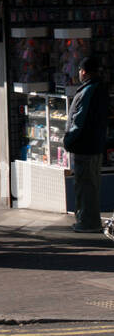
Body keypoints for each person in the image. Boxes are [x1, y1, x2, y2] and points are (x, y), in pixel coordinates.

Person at [64, 56, 109, 233]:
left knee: (85, 185)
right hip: (94, 145)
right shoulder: (99, 88)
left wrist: (68, 140)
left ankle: (88, 222)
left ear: (83, 71)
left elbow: (79, 120)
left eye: (80, 70)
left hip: (85, 146)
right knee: (90, 184)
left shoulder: (88, 91)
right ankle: (88, 220)